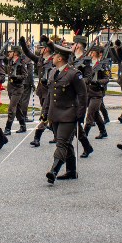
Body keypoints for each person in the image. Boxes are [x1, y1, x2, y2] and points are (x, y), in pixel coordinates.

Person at [45, 42, 87, 183]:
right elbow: (49, 94)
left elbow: (82, 95)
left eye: (55, 55)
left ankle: (53, 171)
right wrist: (45, 112)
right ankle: (71, 171)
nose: (52, 57)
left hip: (69, 114)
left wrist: (80, 115)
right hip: (54, 114)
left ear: (60, 58)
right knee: (65, 143)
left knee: (61, 143)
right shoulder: (52, 72)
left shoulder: (74, 74)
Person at [22, 36, 56, 147]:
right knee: (50, 114)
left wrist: (48, 41)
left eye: (41, 48)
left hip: (50, 91)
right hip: (41, 91)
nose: (39, 50)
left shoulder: (54, 59)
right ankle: (57, 134)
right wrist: (23, 44)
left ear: (46, 49)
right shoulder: (40, 60)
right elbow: (28, 54)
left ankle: (37, 138)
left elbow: (54, 49)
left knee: (44, 114)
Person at [3, 44, 29, 135]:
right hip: (11, 87)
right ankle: (23, 125)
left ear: (15, 53)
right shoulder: (10, 61)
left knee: (12, 108)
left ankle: (8, 128)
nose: (9, 53)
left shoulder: (21, 62)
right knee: (17, 108)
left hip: (18, 88)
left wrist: (17, 77)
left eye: (11, 52)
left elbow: (25, 75)